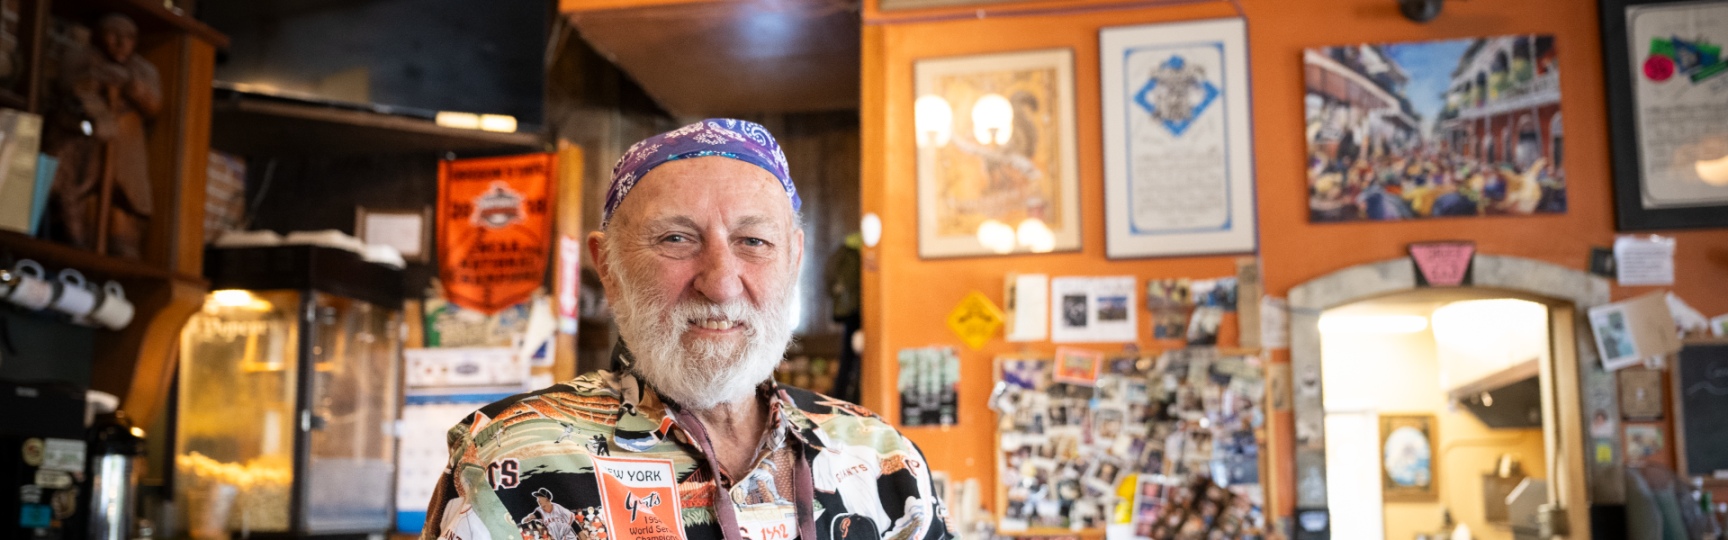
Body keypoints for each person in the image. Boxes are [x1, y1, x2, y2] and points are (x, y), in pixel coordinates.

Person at [421, 119, 951, 540]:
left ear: (794, 260)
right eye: (676, 239)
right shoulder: (516, 457)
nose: (720, 283)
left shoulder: (881, 461)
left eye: (754, 242)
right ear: (608, 266)